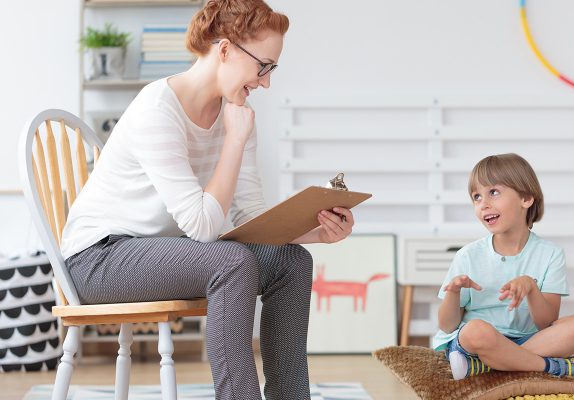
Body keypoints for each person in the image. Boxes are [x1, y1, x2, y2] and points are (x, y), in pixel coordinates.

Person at [60, 1, 355, 399]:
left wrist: (314, 232)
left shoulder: (237, 115)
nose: (265, 82)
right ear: (226, 49)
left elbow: (249, 217)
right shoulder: (157, 109)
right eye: (263, 66)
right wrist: (233, 140)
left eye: (272, 69)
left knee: (290, 262)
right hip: (97, 258)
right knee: (232, 263)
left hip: (163, 250)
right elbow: (202, 227)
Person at [433, 153, 574, 380]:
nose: (484, 204)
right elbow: (447, 325)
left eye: (494, 192)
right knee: (475, 331)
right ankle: (557, 368)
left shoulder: (550, 254)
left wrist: (531, 287)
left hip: (529, 340)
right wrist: (453, 292)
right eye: (476, 197)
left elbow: (545, 322)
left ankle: (487, 367)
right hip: (476, 345)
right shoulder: (467, 256)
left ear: (526, 198)